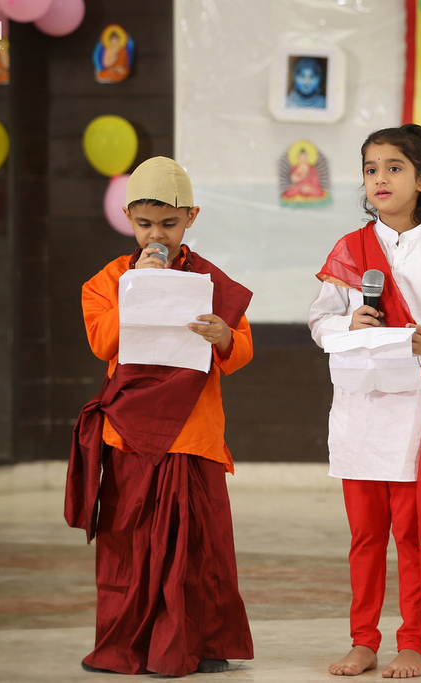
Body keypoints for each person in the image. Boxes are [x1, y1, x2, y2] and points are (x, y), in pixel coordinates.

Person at [309, 124, 421, 678]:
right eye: (370, 169)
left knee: (411, 537)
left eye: (393, 167)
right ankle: (364, 640)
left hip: (417, 413)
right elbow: (319, 323)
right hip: (361, 411)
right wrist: (348, 320)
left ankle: (411, 641)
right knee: (365, 536)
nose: (380, 178)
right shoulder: (349, 249)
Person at [65, 157, 255, 677]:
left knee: (199, 549)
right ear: (128, 218)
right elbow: (102, 341)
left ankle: (199, 646)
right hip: (128, 432)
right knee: (128, 545)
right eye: (146, 224)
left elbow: (242, 350)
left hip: (193, 432)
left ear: (191, 217)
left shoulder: (208, 278)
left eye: (169, 224)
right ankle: (124, 646)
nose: (158, 235)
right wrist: (137, 288)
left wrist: (224, 337)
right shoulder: (106, 281)